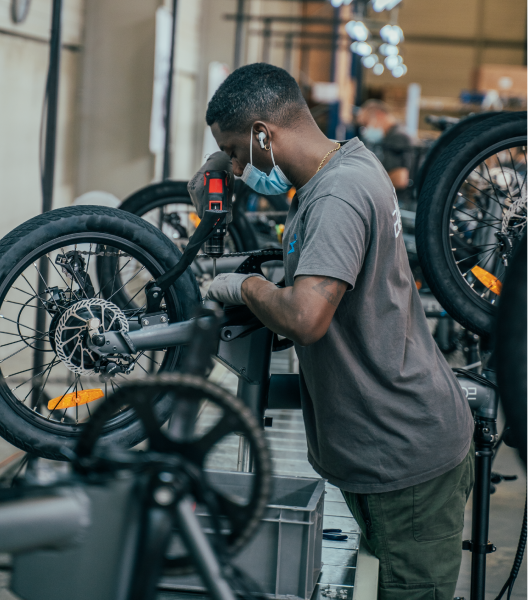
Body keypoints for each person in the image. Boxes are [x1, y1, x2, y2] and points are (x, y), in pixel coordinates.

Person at [188, 63, 474, 600]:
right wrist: (218, 165)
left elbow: (304, 318)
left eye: (233, 150)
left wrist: (245, 287)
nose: (233, 164)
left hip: (406, 456)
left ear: (262, 135)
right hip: (386, 444)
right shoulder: (346, 165)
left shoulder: (337, 196)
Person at [357, 99, 415, 207]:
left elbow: (400, 179)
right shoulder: (389, 137)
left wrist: (368, 186)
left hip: (400, 204)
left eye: (366, 123)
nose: (365, 129)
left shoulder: (398, 137)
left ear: (379, 115)